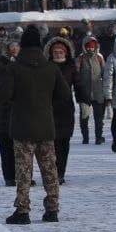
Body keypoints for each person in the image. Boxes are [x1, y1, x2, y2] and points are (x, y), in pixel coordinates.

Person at [0, 25, 66, 224]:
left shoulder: (13, 68)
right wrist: (46, 104)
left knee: (23, 171)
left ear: (21, 45)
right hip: (46, 125)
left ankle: (22, 211)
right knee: (50, 169)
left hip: (22, 126)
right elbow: (63, 95)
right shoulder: (51, 68)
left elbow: (3, 95)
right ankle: (52, 209)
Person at [44, 36, 77, 184]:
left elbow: (79, 84)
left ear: (66, 53)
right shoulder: (46, 66)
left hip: (66, 109)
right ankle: (52, 172)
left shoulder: (71, 66)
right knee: (52, 143)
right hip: (49, 109)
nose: (58, 54)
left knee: (64, 143)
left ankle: (61, 172)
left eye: (60, 52)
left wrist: (84, 100)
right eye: (55, 52)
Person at [0, 40, 21, 186]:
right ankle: (9, 176)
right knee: (6, 147)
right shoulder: (0, 63)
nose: (15, 49)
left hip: (20, 110)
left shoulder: (24, 63)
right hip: (3, 109)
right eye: (12, 47)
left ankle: (22, 175)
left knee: (22, 148)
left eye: (17, 46)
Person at [76, 35, 107, 145]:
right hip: (84, 92)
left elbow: (105, 73)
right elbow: (76, 75)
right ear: (84, 47)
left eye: (92, 47)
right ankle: (85, 138)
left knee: (99, 118)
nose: (90, 49)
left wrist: (106, 90)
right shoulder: (80, 58)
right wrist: (78, 90)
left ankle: (98, 137)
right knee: (84, 116)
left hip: (98, 92)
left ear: (96, 47)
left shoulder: (99, 57)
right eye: (88, 47)